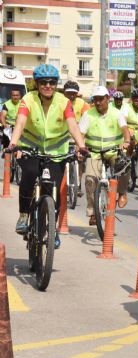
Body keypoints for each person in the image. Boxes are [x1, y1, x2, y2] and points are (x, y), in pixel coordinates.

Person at [8, 64, 87, 248]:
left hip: (56, 153)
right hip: (30, 148)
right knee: (28, 176)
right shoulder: (28, 99)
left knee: (54, 192)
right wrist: (13, 143)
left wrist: (81, 146)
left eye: (52, 82)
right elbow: (20, 122)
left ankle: (52, 229)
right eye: (44, 82)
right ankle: (24, 215)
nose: (48, 86)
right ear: (37, 84)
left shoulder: (63, 101)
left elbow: (72, 124)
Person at [79, 86, 131, 225]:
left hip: (113, 151)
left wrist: (126, 142)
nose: (98, 102)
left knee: (124, 165)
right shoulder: (88, 114)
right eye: (95, 99)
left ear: (108, 99)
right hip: (94, 152)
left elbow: (125, 130)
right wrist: (80, 147)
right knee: (90, 179)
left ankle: (122, 192)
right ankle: (92, 213)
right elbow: (81, 134)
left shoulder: (116, 113)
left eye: (101, 99)